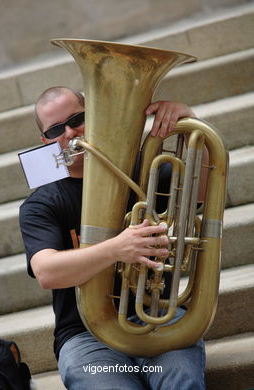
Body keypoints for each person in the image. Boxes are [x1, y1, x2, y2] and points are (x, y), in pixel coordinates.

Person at [19, 86, 206, 389]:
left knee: (181, 380)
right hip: (86, 338)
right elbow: (46, 271)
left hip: (156, 317)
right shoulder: (42, 203)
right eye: (55, 129)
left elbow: (200, 195)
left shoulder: (142, 171)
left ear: (94, 116)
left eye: (77, 119)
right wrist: (117, 248)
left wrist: (191, 125)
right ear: (46, 141)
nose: (69, 132)